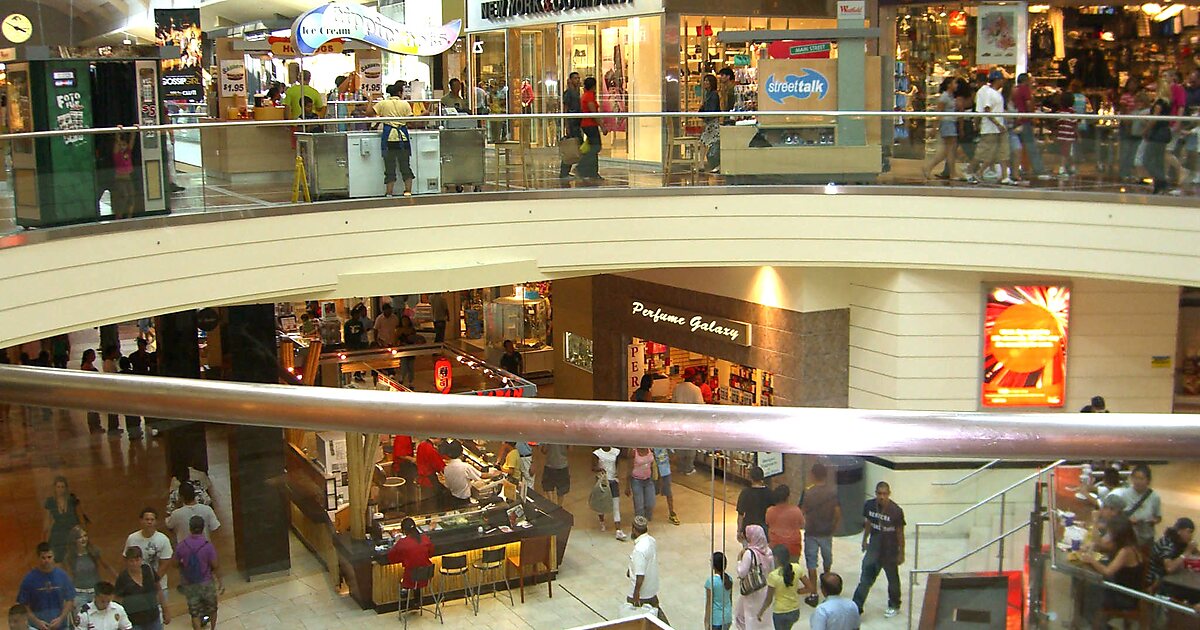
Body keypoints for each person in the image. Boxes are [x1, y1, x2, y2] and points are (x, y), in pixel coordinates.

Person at [851, 481, 906, 617]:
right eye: (879, 494)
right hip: (874, 548)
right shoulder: (870, 505)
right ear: (876, 493)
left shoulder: (896, 511)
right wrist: (864, 540)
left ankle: (894, 604)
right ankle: (856, 607)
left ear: (889, 494)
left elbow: (900, 533)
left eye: (885, 494)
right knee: (865, 579)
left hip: (890, 550)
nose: (882, 497)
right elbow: (869, 523)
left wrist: (901, 552)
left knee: (892, 579)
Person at [1084, 514, 1146, 626]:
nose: (1109, 536)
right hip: (1122, 586)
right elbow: (1102, 545)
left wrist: (1092, 560)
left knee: (1091, 592)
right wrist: (1094, 543)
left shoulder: (1126, 551)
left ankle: (1093, 624)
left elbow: (1108, 571)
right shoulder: (1130, 544)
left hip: (1125, 595)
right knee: (1089, 586)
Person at [800, 462, 842, 608]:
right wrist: (834, 527)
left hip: (811, 531)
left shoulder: (808, 492)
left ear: (812, 475)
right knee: (827, 558)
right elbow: (837, 513)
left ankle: (813, 593)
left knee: (811, 562)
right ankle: (828, 582)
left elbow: (802, 511)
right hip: (826, 532)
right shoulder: (832, 492)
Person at [176, 515, 222, 630]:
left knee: (195, 612)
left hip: (190, 583)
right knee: (212, 608)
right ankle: (212, 628)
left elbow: (173, 563)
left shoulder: (182, 545)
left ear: (190, 528)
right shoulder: (207, 545)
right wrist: (220, 581)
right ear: (202, 528)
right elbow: (215, 565)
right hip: (206, 582)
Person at [17, 542, 76, 630]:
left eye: (49, 557)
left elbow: (70, 600)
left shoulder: (62, 576)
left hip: (60, 626)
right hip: (37, 627)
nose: (46, 561)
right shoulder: (29, 579)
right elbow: (23, 605)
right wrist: (37, 622)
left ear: (54, 557)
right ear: (38, 558)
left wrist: (61, 619)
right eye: (43, 558)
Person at [370, 82, 415, 197]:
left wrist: (370, 100)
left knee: (389, 167)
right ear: (400, 92)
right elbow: (411, 120)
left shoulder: (383, 103)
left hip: (389, 138)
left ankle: (389, 192)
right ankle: (408, 191)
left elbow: (369, 113)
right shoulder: (405, 104)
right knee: (405, 165)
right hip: (402, 138)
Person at [758, 544, 812, 630]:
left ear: (776, 558)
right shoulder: (797, 568)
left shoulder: (773, 576)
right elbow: (810, 587)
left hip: (780, 612)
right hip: (794, 611)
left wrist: (761, 612)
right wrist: (797, 591)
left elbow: (769, 599)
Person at [114, 546, 169, 630]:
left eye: (137, 560)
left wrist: (165, 610)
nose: (134, 563)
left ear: (141, 559)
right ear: (127, 561)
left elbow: (159, 589)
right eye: (131, 561)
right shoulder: (122, 578)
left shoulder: (148, 570)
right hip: (134, 620)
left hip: (153, 617)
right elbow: (118, 600)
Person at [63, 526, 116, 611]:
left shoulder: (94, 552)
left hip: (97, 593)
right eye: (80, 537)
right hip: (79, 595)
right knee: (83, 621)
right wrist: (70, 598)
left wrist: (117, 581)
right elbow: (69, 578)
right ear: (74, 540)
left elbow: (107, 567)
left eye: (85, 536)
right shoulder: (69, 558)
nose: (84, 539)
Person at [968, 70, 1007, 185]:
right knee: (983, 152)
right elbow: (986, 110)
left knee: (992, 152)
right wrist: (998, 124)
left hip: (995, 129)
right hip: (990, 129)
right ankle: (971, 171)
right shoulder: (989, 93)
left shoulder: (995, 93)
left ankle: (980, 172)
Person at [124, 508, 173, 595]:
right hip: (136, 587)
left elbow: (165, 564)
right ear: (141, 520)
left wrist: (152, 582)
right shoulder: (132, 538)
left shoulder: (163, 539)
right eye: (147, 519)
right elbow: (126, 560)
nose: (149, 522)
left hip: (159, 587)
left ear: (156, 522)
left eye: (152, 520)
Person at [735, 525, 775, 630]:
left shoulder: (749, 553)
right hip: (765, 588)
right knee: (762, 618)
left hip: (752, 589)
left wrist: (739, 560)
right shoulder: (768, 551)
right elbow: (772, 570)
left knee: (748, 616)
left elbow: (741, 572)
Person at [627, 516, 666, 621]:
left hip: (641, 595)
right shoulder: (651, 541)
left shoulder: (639, 550)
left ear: (634, 530)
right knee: (659, 619)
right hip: (651, 591)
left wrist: (636, 595)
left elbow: (640, 576)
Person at [387, 517, 434, 606]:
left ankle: (405, 595)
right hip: (426, 576)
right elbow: (431, 554)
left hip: (410, 578)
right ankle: (417, 601)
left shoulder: (402, 543)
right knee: (417, 571)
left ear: (404, 531)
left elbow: (391, 558)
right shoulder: (425, 538)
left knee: (409, 575)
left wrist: (396, 543)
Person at [1112, 463, 1161, 547]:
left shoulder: (1154, 497)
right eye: (1135, 478)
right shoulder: (1124, 494)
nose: (1138, 481)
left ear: (1148, 480)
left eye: (1141, 479)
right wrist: (1127, 520)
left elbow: (1158, 517)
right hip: (1128, 537)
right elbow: (1116, 514)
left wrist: (1152, 521)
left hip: (1147, 537)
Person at [440, 441, 500, 505]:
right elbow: (481, 476)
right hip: (464, 500)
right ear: (461, 453)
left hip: (453, 499)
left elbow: (448, 485)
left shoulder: (446, 468)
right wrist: (494, 474)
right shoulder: (465, 466)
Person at [923, 76, 961, 180]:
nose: (956, 85)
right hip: (947, 123)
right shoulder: (944, 97)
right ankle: (952, 173)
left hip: (951, 123)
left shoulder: (951, 96)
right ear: (949, 85)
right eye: (955, 83)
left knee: (947, 150)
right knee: (950, 149)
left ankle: (929, 168)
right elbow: (939, 113)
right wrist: (934, 128)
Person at [1012, 73, 1048, 179]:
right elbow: (1028, 103)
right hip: (1025, 121)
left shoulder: (1015, 90)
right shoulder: (1025, 89)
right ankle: (1039, 169)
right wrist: (1032, 115)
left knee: (1017, 146)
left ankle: (1018, 168)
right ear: (1026, 80)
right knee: (1031, 145)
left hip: (1017, 121)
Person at [671, 369, 705, 475]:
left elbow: (673, 403)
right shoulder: (696, 390)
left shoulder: (677, 388)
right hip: (691, 422)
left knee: (681, 445)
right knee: (690, 446)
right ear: (693, 377)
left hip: (679, 421)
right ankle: (689, 467)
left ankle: (680, 466)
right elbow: (700, 406)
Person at [44, 476, 84, 563]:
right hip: (58, 533)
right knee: (58, 557)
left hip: (72, 531)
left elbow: (81, 517)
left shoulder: (72, 500)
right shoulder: (50, 502)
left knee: (75, 558)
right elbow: (47, 522)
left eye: (62, 487)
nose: (60, 489)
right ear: (54, 488)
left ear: (66, 488)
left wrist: (82, 532)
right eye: (58, 487)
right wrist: (44, 539)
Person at [1148, 517, 1196, 589]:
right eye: (1189, 531)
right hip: (1154, 579)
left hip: (1166, 578)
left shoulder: (1180, 542)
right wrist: (1186, 552)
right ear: (1179, 531)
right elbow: (1169, 568)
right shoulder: (1167, 543)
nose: (1191, 535)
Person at [593, 446, 627, 540]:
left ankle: (618, 530)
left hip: (613, 481)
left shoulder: (616, 452)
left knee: (616, 505)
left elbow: (617, 464)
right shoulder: (597, 453)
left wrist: (617, 474)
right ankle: (602, 521)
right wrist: (600, 469)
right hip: (602, 481)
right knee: (601, 504)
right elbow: (593, 467)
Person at [765, 485, 805, 561]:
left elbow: (768, 523)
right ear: (788, 497)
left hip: (775, 547)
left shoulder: (770, 511)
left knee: (777, 571)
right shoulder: (796, 511)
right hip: (793, 547)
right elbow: (802, 524)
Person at [577, 76, 603, 182]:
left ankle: (592, 172)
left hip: (587, 124)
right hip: (590, 124)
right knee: (595, 147)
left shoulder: (585, 95)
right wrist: (602, 125)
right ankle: (582, 167)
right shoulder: (589, 96)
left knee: (593, 147)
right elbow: (593, 113)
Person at [1118, 77, 1142, 182]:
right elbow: (1123, 110)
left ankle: (1131, 172)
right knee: (1125, 150)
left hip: (1137, 125)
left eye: (1134, 84)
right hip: (1126, 124)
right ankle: (1124, 172)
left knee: (1134, 151)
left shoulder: (1139, 96)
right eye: (1130, 84)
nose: (1132, 86)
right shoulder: (1125, 96)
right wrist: (1126, 123)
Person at [737, 466, 773, 535]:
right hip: (764, 528)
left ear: (750, 478)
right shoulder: (769, 493)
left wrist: (739, 531)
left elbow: (740, 514)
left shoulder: (745, 492)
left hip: (748, 527)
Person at [560, 72, 582, 180]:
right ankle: (564, 171)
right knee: (571, 147)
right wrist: (567, 125)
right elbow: (565, 109)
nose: (577, 80)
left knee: (578, 146)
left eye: (578, 78)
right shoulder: (568, 93)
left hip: (577, 123)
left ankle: (574, 169)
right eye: (575, 78)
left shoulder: (577, 92)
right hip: (572, 123)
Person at [699, 74, 723, 172]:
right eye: (705, 81)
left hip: (712, 122)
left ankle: (702, 163)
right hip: (710, 122)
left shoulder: (713, 94)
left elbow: (712, 109)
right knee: (704, 142)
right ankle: (701, 163)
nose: (705, 83)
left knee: (705, 142)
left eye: (708, 81)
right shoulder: (708, 94)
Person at [705, 552, 734, 630]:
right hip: (727, 617)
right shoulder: (729, 579)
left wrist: (706, 622)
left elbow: (709, 604)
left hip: (716, 619)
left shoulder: (711, 582)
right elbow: (730, 599)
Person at [651, 448, 680, 525]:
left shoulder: (666, 444)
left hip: (665, 471)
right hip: (653, 472)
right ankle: (646, 512)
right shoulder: (650, 445)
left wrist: (669, 460)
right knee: (650, 493)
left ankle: (672, 513)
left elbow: (674, 456)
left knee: (668, 493)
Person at [627, 447, 657, 521]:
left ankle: (647, 519)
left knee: (650, 503)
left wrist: (656, 479)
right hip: (636, 481)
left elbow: (653, 465)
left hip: (649, 480)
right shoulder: (633, 451)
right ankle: (640, 524)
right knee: (639, 506)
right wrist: (627, 486)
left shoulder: (651, 449)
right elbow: (629, 468)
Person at [414, 437, 446, 505]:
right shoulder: (431, 450)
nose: (440, 443)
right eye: (441, 441)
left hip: (421, 479)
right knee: (433, 503)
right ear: (438, 438)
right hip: (429, 480)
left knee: (425, 502)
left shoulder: (421, 445)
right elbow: (440, 466)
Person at [111, 133, 136, 219]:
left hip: (128, 178)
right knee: (124, 196)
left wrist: (134, 132)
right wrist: (117, 135)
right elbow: (116, 144)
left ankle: (129, 216)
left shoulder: (127, 153)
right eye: (121, 145)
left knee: (131, 198)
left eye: (124, 145)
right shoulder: (117, 154)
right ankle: (119, 216)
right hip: (120, 179)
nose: (122, 147)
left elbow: (132, 142)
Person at [1056, 92, 1079, 178]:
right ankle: (1062, 169)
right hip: (1069, 136)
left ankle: (1070, 167)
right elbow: (1075, 125)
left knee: (1065, 152)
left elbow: (1057, 124)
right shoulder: (1073, 113)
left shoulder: (1059, 113)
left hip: (1061, 135)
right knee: (1067, 152)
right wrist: (1077, 135)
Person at [81, 349, 103, 433]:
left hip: (93, 390)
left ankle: (96, 426)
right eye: (92, 355)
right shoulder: (86, 367)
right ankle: (94, 427)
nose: (94, 357)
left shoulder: (89, 365)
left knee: (94, 410)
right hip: (90, 390)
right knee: (92, 410)